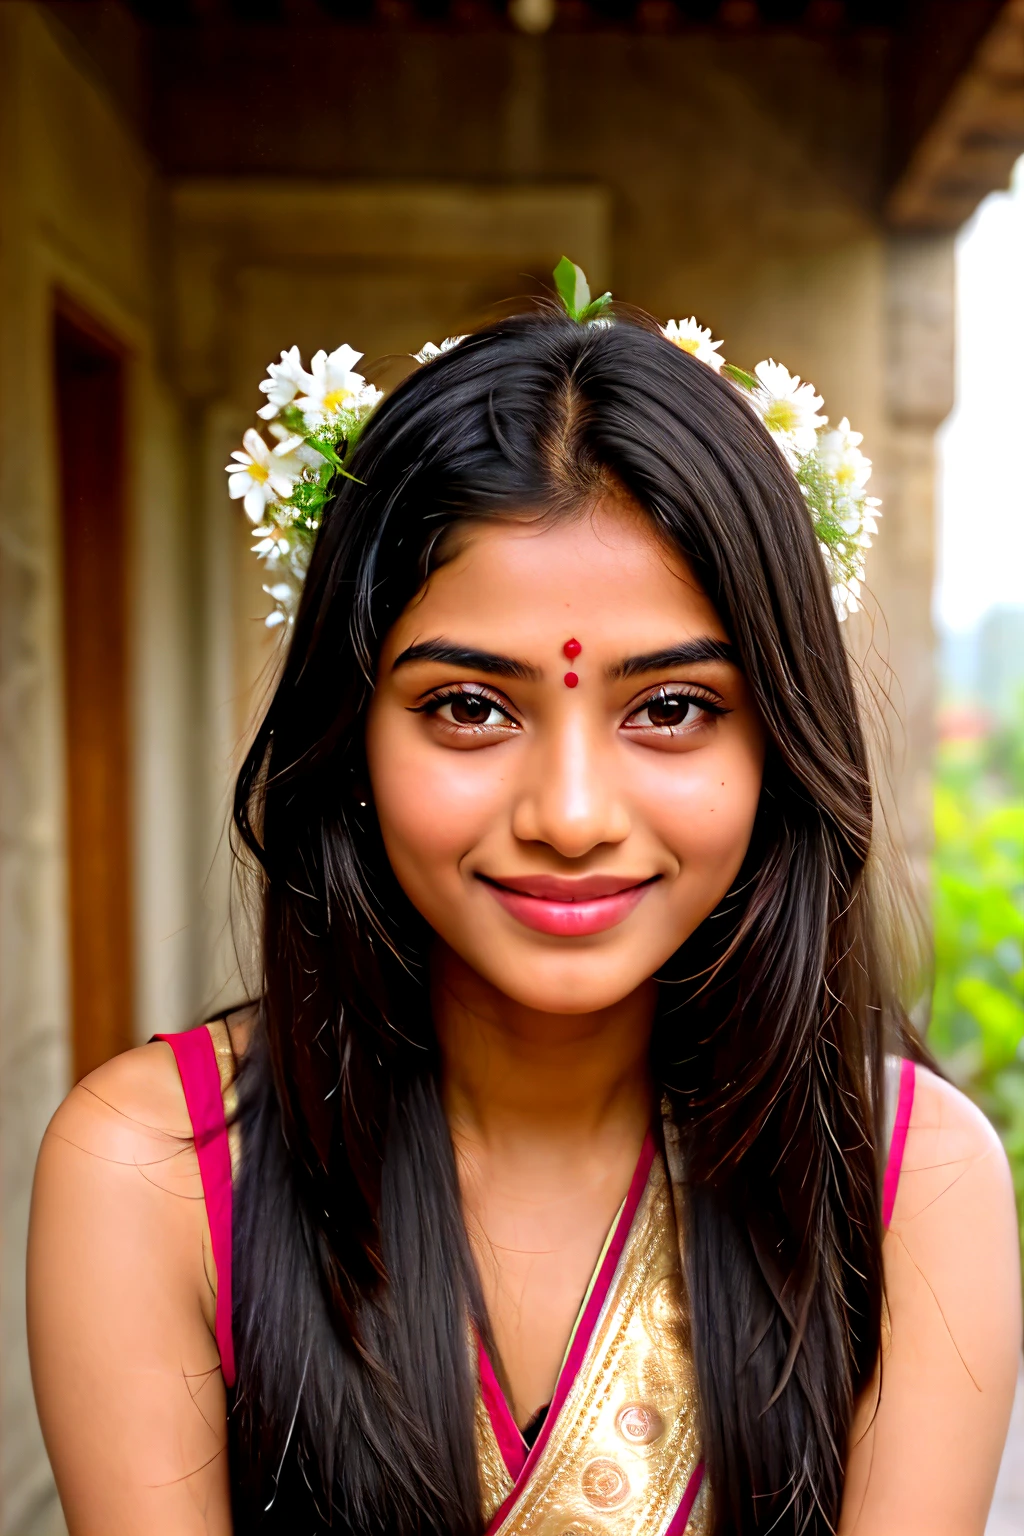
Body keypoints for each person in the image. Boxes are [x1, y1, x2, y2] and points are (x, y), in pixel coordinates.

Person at [27, 295, 1021, 1536]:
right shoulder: (160, 1172)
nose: (568, 813)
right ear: (348, 737)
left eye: (669, 708)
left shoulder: (908, 1183)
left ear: (781, 739)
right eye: (467, 708)